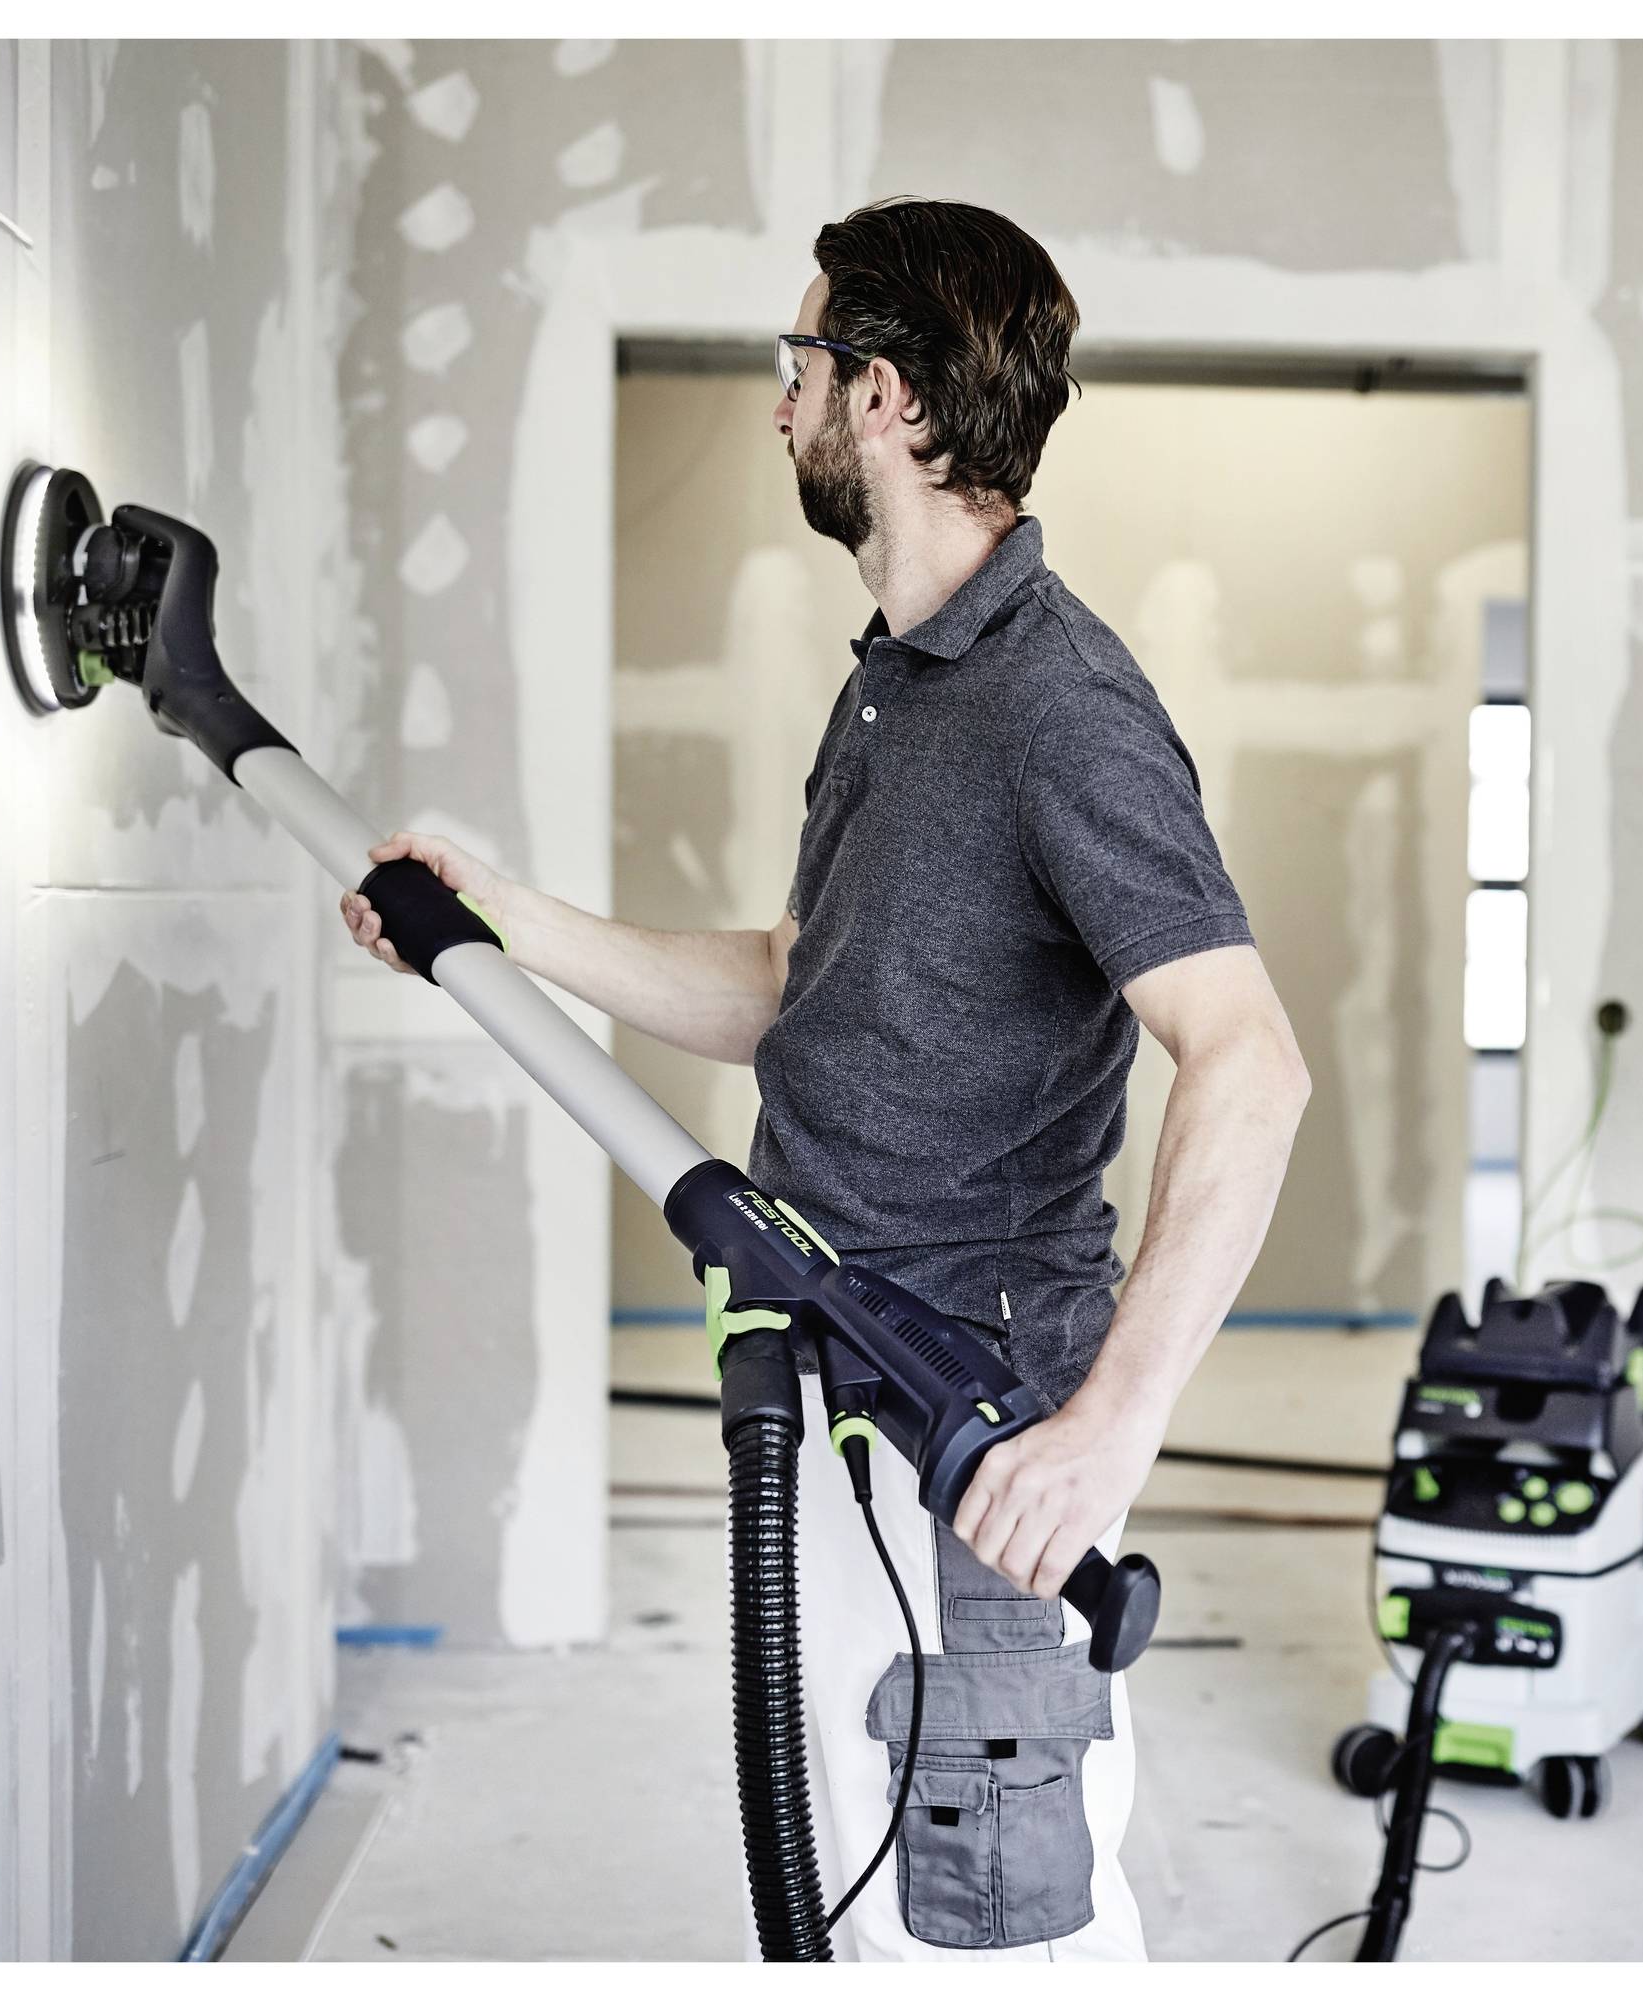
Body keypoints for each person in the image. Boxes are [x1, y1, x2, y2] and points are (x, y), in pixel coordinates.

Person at [341, 197, 1310, 1961]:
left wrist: (1107, 1435)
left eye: (795, 363)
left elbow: (1251, 1057)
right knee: (869, 1908)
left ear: (880, 394)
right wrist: (505, 921)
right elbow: (801, 987)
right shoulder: (902, 690)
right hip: (837, 1379)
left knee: (997, 1928)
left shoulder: (1058, 707)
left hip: (977, 1427)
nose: (773, 398)